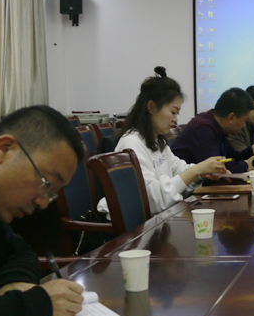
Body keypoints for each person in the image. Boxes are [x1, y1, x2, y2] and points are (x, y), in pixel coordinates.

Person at [0, 106, 86, 316]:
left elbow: (20, 254)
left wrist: (12, 284)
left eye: (52, 193)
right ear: (4, 149)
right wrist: (35, 304)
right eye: (46, 184)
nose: (43, 203)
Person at [98, 67, 228, 216]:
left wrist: (203, 173)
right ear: (152, 107)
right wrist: (197, 170)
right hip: (138, 226)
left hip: (159, 219)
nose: (175, 119)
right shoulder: (131, 143)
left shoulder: (158, 141)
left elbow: (179, 170)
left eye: (177, 113)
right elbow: (152, 200)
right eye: (173, 112)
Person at [172, 88, 254, 173]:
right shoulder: (202, 129)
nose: (244, 125)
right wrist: (247, 164)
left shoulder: (217, 126)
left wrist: (251, 150)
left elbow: (232, 157)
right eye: (245, 121)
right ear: (231, 117)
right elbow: (217, 168)